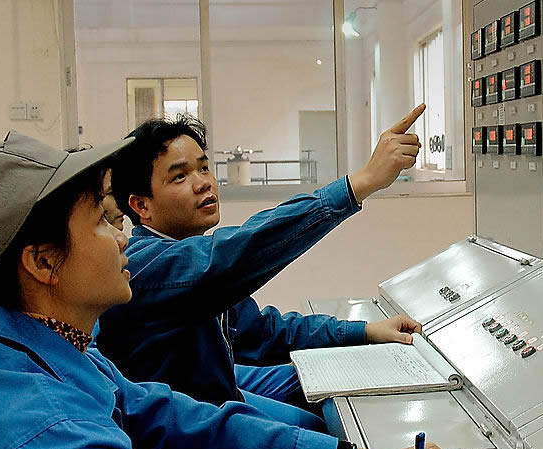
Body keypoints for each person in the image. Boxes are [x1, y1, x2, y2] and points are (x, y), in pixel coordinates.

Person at [0, 132, 457, 449]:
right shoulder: (44, 438)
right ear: (44, 262)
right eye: (102, 221)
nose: (122, 237)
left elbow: (177, 420)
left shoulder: (47, 350)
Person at [96, 107, 426, 417]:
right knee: (321, 431)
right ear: (141, 206)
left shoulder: (190, 263)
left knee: (329, 385)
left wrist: (364, 331)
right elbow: (244, 248)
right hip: (192, 429)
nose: (203, 183)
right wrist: (361, 182)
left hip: (218, 401)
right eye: (180, 176)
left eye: (204, 168)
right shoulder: (145, 265)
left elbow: (263, 331)